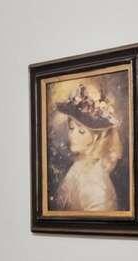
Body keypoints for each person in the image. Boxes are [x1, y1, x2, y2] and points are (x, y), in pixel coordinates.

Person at [51, 84, 123, 212]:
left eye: (81, 131)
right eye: (72, 128)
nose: (72, 135)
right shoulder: (80, 164)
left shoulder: (96, 184)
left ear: (96, 138)